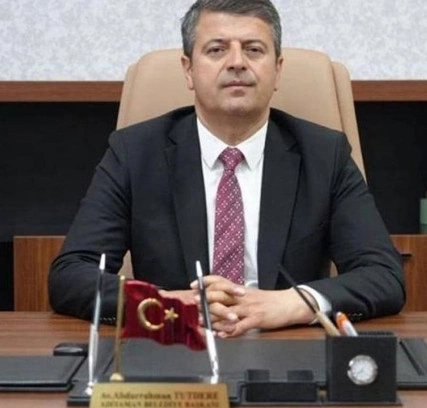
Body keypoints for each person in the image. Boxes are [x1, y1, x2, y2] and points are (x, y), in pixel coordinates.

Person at [49, 0, 405, 338]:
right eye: (217, 49)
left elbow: (384, 275)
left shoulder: (324, 155)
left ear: (277, 70)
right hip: (174, 347)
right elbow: (71, 275)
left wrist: (293, 304)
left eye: (254, 49)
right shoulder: (135, 153)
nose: (237, 62)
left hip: (289, 348)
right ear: (188, 70)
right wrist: (165, 305)